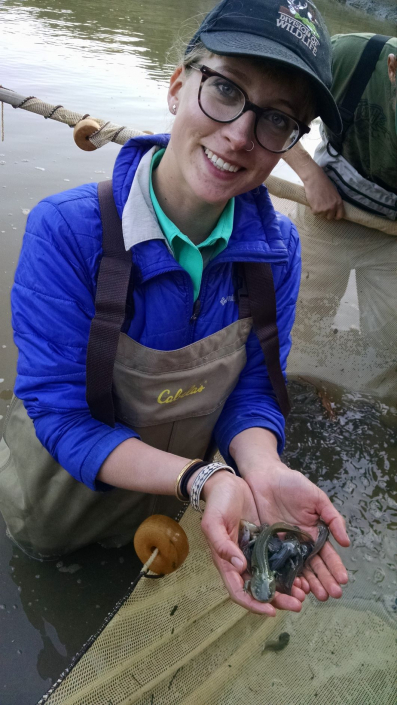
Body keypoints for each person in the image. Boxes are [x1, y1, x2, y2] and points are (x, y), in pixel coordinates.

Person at [0, 0, 350, 618]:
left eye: (276, 120)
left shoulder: (278, 251)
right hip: (59, 502)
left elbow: (252, 392)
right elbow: (60, 417)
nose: (239, 135)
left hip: (177, 503)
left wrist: (261, 469)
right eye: (225, 89)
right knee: (42, 578)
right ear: (176, 86)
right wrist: (203, 478)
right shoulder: (67, 231)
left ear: (288, 145)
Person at [283, 33, 397, 218]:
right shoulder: (346, 56)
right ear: (392, 68)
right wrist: (310, 174)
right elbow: (270, 116)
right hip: (327, 194)